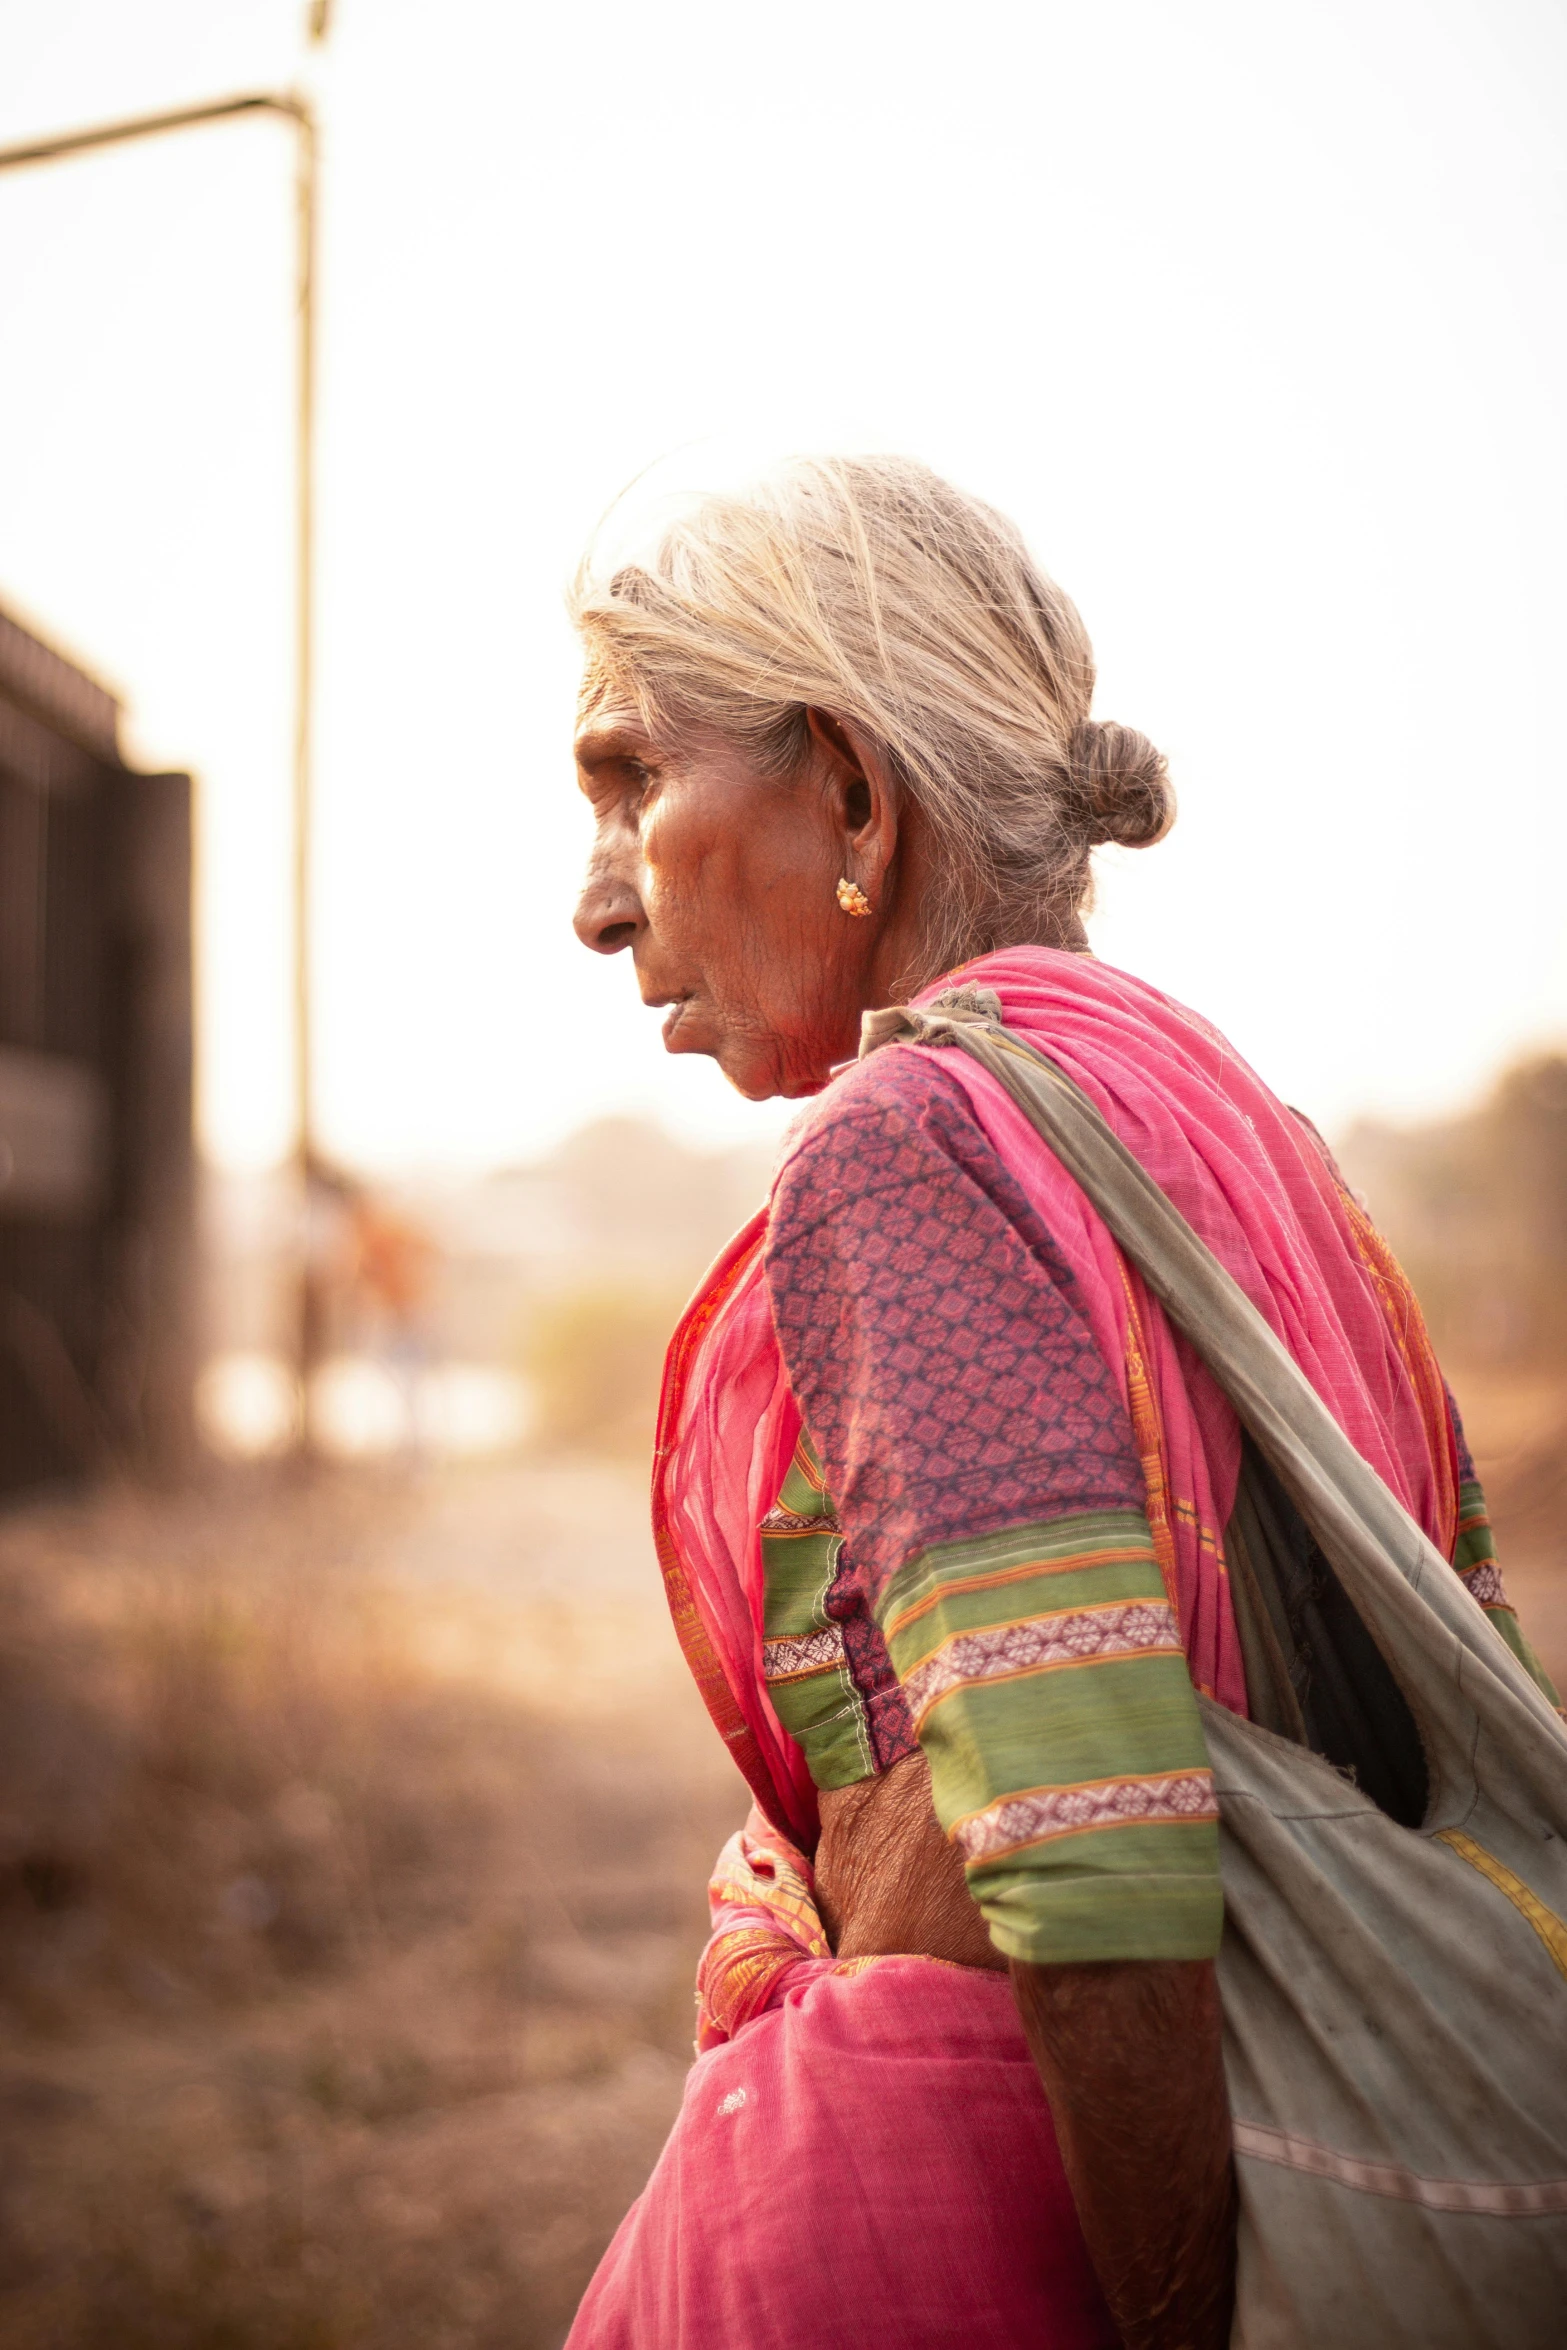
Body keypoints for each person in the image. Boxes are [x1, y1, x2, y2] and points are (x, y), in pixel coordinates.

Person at [561, 457, 1558, 2350]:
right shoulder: (1256, 1148)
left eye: (629, 779)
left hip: (965, 2207)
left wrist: (1181, 2320)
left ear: (851, 791)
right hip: (1302, 2144)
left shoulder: (910, 1147)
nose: (598, 904)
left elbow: (1088, 1840)